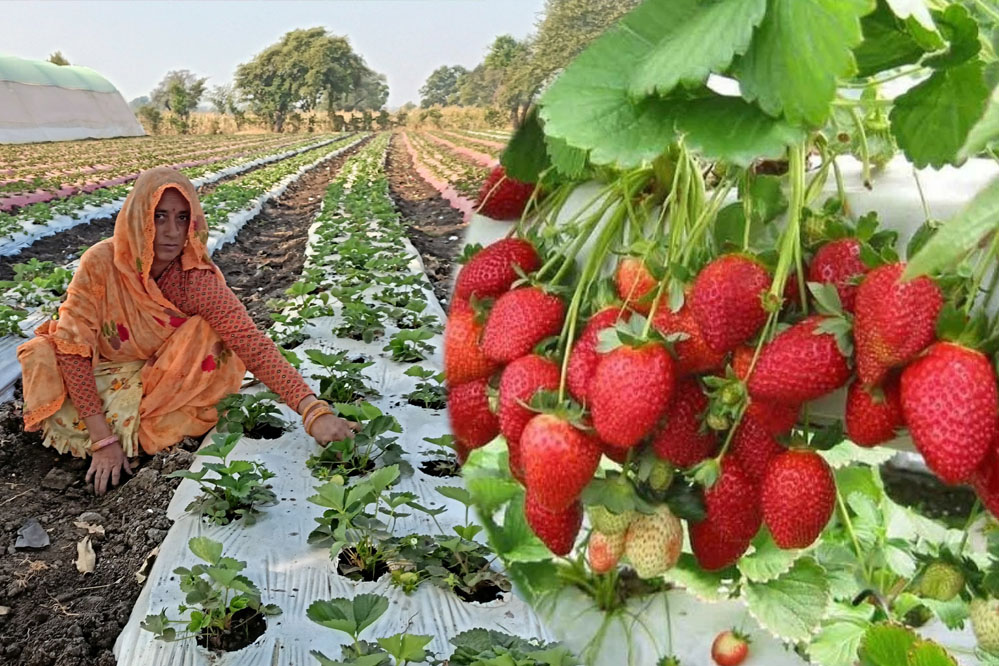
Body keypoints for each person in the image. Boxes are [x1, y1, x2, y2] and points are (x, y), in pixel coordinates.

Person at [17, 167, 359, 495]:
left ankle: (140, 432)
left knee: (211, 336)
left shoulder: (194, 279)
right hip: (101, 374)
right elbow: (73, 348)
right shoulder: (102, 263)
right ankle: (117, 434)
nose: (170, 231)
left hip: (163, 380)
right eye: (159, 216)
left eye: (182, 218)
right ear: (139, 217)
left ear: (193, 222)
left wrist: (314, 411)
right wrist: (104, 441)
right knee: (51, 356)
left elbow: (251, 344)